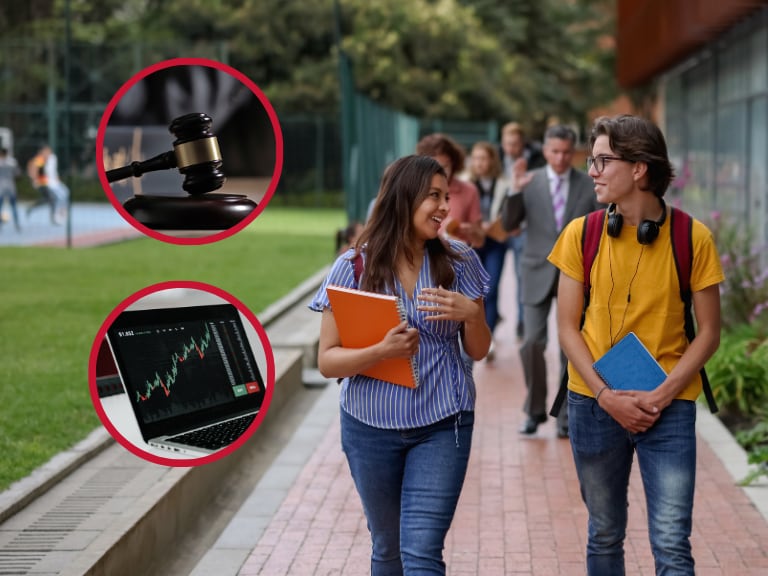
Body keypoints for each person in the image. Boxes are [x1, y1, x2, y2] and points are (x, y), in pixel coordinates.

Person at [548, 114, 723, 574]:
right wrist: (607, 397)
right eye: (592, 160)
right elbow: (567, 328)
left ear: (640, 168)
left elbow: (708, 332)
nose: (593, 171)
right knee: (604, 533)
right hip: (592, 404)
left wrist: (660, 396)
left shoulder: (692, 238)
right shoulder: (580, 235)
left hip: (668, 405)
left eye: (604, 160)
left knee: (671, 542)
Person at [309, 155, 491, 575]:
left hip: (444, 422)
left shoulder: (460, 261)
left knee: (422, 552)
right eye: (434, 197)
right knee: (388, 548)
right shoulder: (353, 267)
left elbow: (478, 350)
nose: (445, 207)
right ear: (403, 198)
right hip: (369, 428)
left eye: (446, 197)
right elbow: (327, 361)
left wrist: (473, 315)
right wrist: (380, 352)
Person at [508, 124, 602, 438]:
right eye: (554, 151)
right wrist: (515, 190)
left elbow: (600, 228)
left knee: (570, 346)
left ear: (573, 152)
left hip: (575, 275)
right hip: (536, 271)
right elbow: (509, 224)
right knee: (532, 342)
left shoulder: (588, 185)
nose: (560, 158)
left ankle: (565, 415)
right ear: (545, 150)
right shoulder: (529, 182)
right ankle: (534, 410)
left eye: (565, 152)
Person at [499, 122, 547, 339]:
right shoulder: (497, 159)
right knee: (487, 280)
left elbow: (538, 194)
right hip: (498, 226)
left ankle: (521, 323)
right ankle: (491, 320)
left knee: (521, 275)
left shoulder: (536, 160)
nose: (511, 148)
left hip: (524, 227)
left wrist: (519, 221)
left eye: (515, 144)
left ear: (522, 143)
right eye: (508, 144)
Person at [468, 141, 511, 360]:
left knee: (491, 288)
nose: (479, 163)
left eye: (483, 158)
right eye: (476, 158)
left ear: (492, 160)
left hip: (495, 241)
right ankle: (474, 335)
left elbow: (510, 214)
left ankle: (490, 337)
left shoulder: (504, 184)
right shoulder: (465, 183)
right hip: (472, 243)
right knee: (475, 290)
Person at [416, 133, 484, 248]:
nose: (439, 172)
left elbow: (479, 241)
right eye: (433, 166)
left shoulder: (469, 190)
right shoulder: (415, 189)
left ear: (454, 164)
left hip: (455, 259)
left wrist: (470, 232)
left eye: (445, 166)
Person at [26, 145, 58, 223]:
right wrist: (34, 180)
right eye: (47, 151)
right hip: (41, 183)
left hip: (44, 182)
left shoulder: (43, 159)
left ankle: (33, 206)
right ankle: (52, 217)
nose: (49, 153)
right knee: (52, 199)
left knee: (50, 199)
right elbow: (34, 170)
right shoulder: (39, 159)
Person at [0, 148, 22, 232]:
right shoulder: (12, 162)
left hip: (1, 187)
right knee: (14, 207)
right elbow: (18, 174)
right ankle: (17, 225)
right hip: (11, 187)